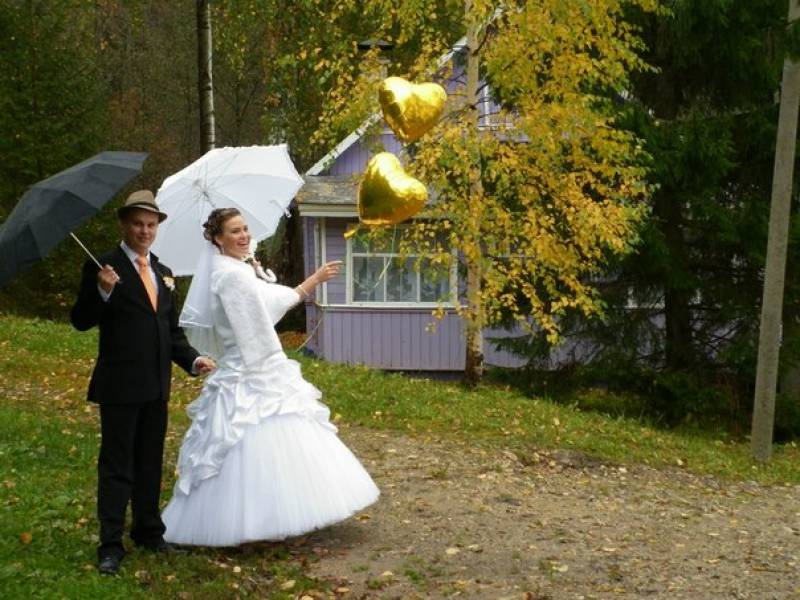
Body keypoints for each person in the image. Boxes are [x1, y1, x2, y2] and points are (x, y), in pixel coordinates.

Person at [161, 207, 379, 546]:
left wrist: (310, 279)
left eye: (245, 228)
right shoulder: (232, 275)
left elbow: (268, 301)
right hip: (251, 367)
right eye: (235, 231)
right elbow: (253, 326)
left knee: (259, 443)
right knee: (256, 442)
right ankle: (260, 520)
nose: (244, 235)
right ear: (217, 239)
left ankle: (269, 516)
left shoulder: (233, 269)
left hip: (242, 364)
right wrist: (269, 364)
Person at [70, 190, 215, 575]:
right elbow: (81, 320)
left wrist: (192, 359)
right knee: (117, 465)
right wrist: (102, 290)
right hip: (120, 385)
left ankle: (148, 532)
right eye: (137, 223)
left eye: (151, 225)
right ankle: (110, 544)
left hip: (156, 385)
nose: (144, 231)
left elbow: (170, 330)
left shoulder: (163, 272)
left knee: (150, 462)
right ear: (124, 224)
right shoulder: (104, 266)